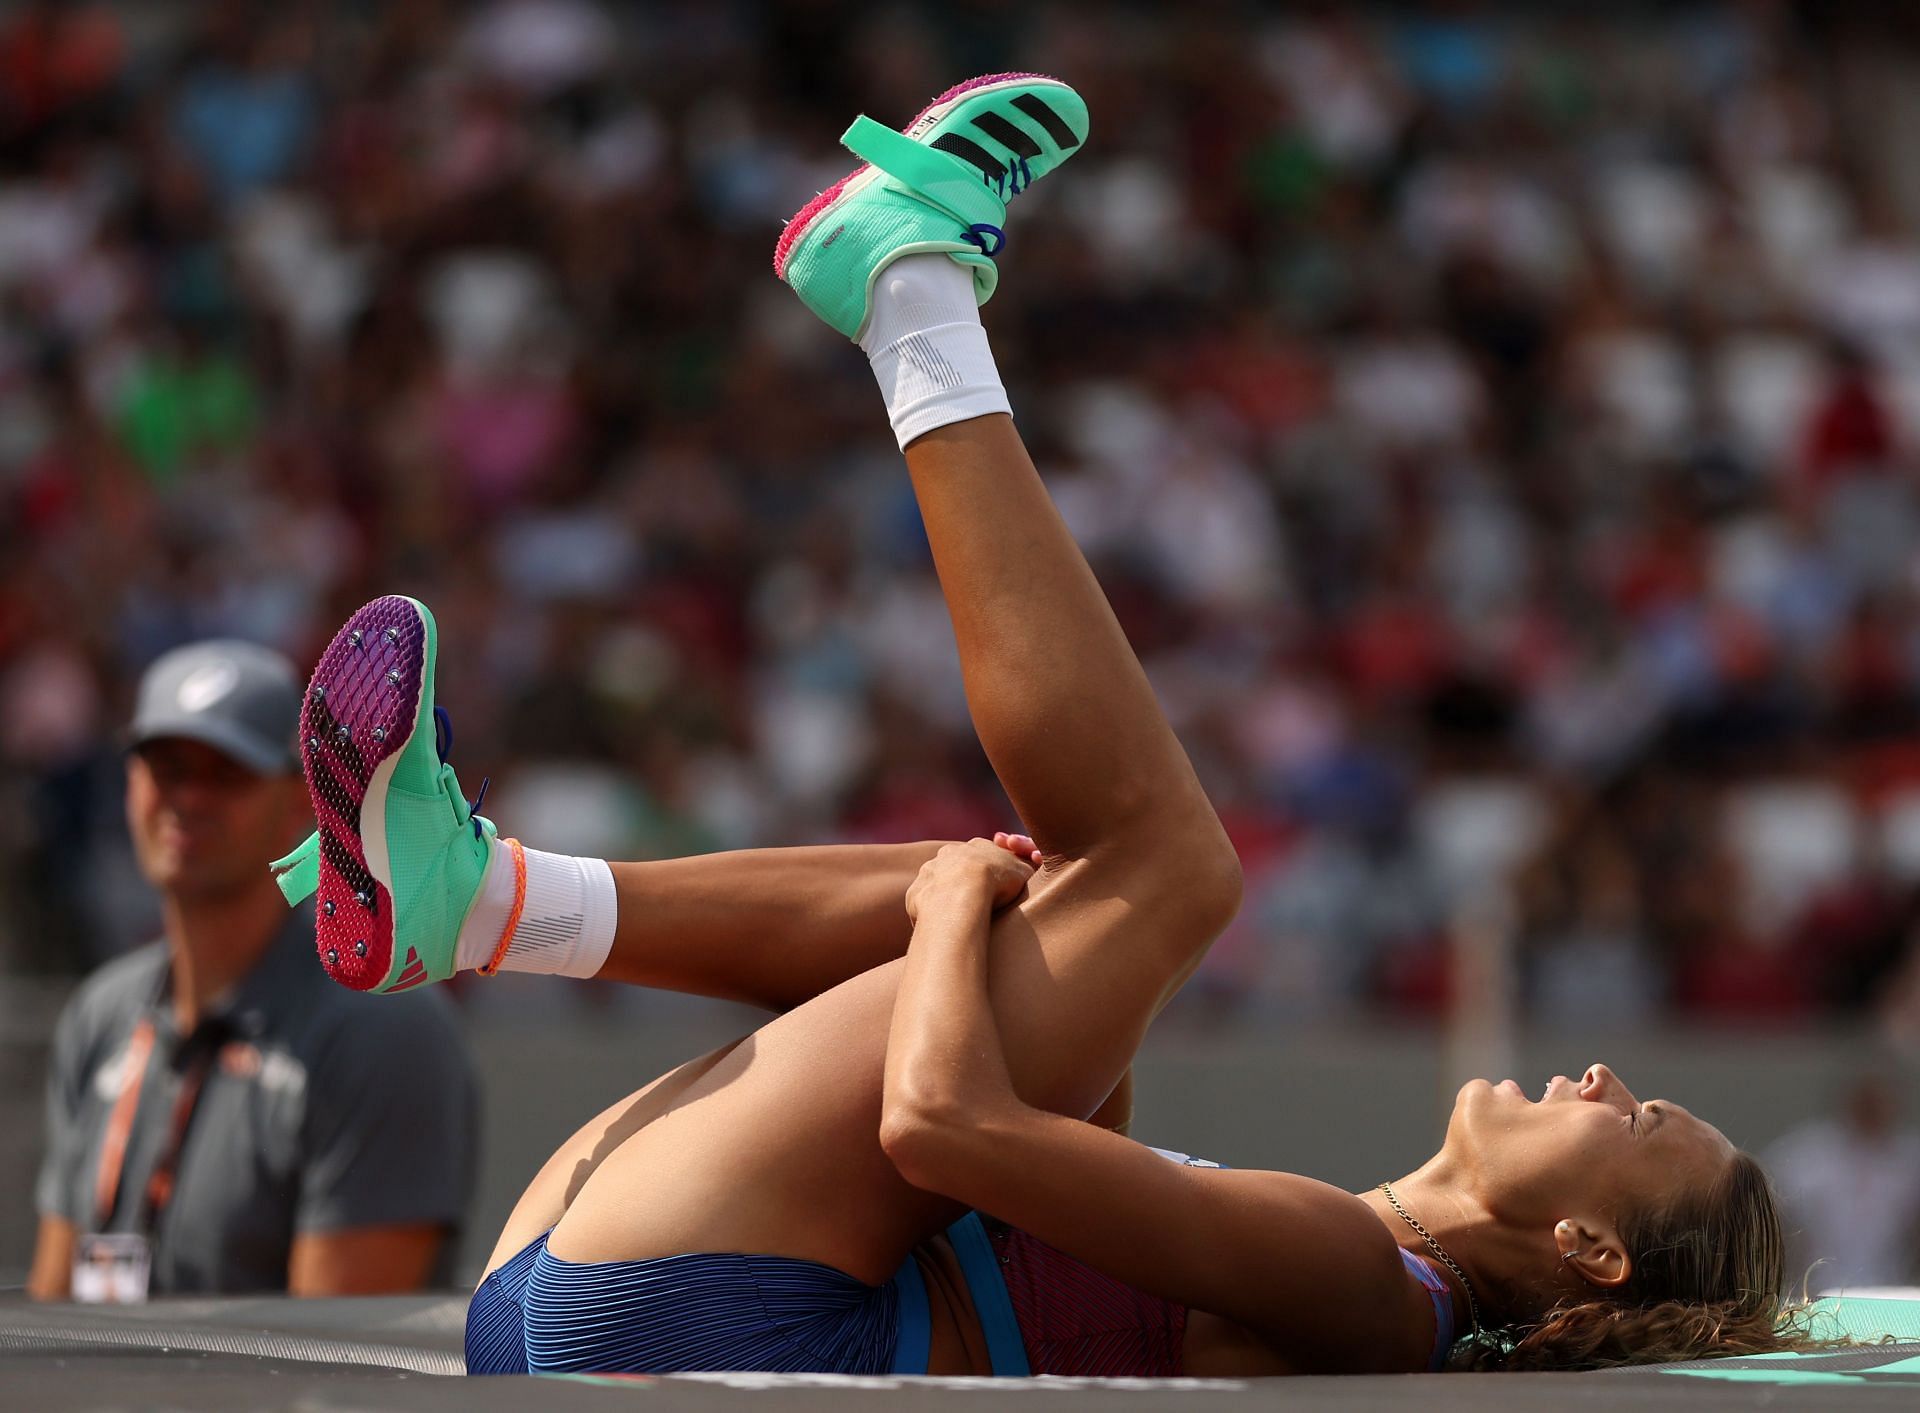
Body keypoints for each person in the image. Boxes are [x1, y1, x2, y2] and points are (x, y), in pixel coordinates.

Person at [278, 74, 1806, 1375]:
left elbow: (945, 1129)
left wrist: (959, 924)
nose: (1608, 1079)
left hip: (722, 1305)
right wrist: (1020, 961)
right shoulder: (1349, 1258)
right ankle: (478, 901)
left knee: (1163, 869)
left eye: (1649, 1117)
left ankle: (911, 284)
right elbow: (1035, 1226)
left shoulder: (1372, 1280)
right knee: (1019, 885)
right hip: (633, 1285)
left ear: (1594, 1249)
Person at [28, 640, 479, 1301]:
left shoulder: (381, 1028)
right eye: (166, 766)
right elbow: (55, 1306)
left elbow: (334, 1363)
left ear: (303, 800)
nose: (187, 797)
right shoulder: (103, 1010)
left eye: (226, 772)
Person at [1764, 1071, 1920, 1293]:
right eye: (1866, 1101)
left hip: (1891, 1291)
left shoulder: (1910, 1160)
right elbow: (1767, 1210)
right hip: (1816, 1290)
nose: (1873, 1110)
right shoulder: (1805, 1153)